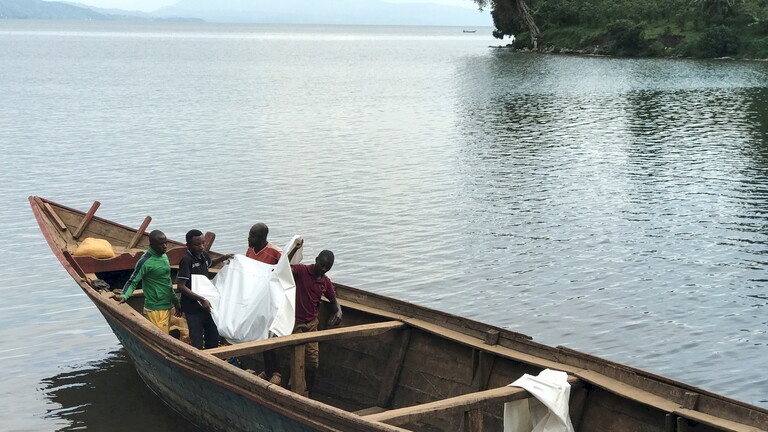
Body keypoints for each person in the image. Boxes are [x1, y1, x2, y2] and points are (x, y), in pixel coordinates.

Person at [291, 247, 343, 395]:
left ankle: (310, 393)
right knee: (293, 360)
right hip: (295, 322)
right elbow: (285, 270)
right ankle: (290, 390)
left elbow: (333, 300)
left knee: (312, 363)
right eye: (322, 265)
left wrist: (339, 311)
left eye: (327, 268)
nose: (323, 269)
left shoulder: (325, 282)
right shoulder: (301, 271)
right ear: (316, 260)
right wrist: (293, 249)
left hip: (312, 324)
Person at [243, 222, 290, 385]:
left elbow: (287, 272)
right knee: (261, 336)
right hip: (256, 300)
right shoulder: (250, 250)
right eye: (249, 234)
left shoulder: (275, 252)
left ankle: (277, 371)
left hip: (271, 301)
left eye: (253, 236)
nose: (249, 238)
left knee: (270, 336)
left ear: (262, 238)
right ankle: (268, 370)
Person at [112, 230, 181, 334]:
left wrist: (176, 302)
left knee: (166, 335)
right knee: (162, 339)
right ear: (152, 244)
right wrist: (124, 296)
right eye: (160, 244)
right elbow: (133, 281)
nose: (165, 246)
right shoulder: (145, 261)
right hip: (155, 309)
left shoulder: (164, 256)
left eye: (166, 243)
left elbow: (167, 283)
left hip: (167, 305)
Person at [176, 229, 233, 350]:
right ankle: (198, 361)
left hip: (207, 305)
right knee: (196, 340)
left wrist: (223, 258)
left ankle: (214, 358)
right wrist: (201, 299)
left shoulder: (203, 255)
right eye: (197, 244)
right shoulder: (186, 261)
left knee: (213, 336)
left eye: (203, 243)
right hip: (193, 308)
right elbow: (181, 286)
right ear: (188, 245)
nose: (201, 247)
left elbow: (209, 264)